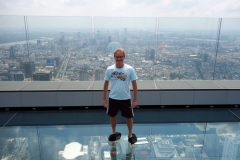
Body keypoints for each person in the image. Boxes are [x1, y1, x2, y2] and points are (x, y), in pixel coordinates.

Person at [103, 48, 138, 144]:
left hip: (126, 98)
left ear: (124, 57)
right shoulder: (109, 69)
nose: (119, 59)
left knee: (129, 117)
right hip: (113, 97)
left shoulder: (129, 69)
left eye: (121, 57)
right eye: (117, 57)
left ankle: (130, 134)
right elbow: (106, 83)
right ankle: (114, 132)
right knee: (112, 116)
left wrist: (135, 99)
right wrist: (104, 98)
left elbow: (134, 84)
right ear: (114, 57)